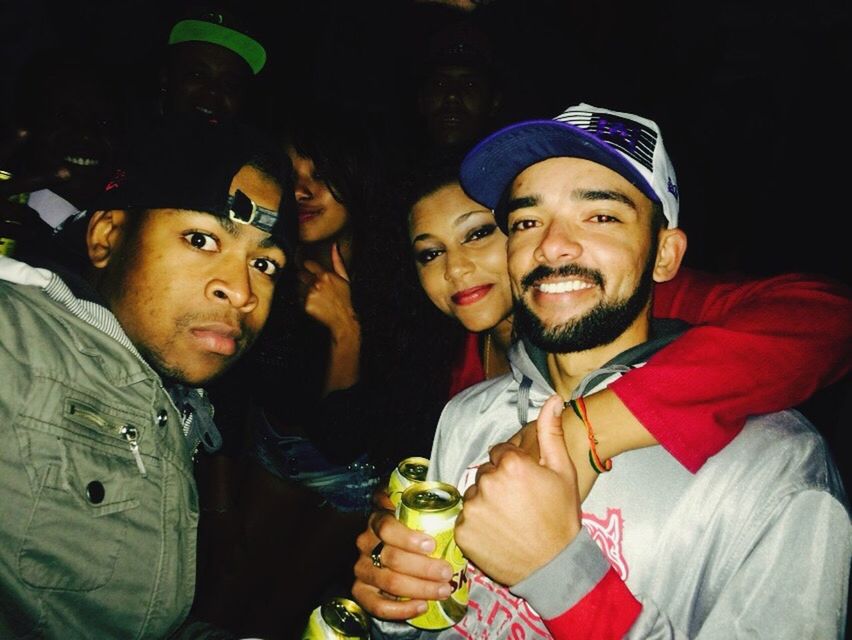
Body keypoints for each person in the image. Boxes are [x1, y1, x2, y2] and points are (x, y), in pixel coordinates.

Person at [353, 103, 851, 638]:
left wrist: (564, 579)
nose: (552, 244)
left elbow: (820, 318)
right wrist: (401, 597)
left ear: (664, 255)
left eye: (601, 215)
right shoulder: (467, 410)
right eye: (527, 220)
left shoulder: (776, 475)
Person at [0, 114, 296, 639]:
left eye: (265, 264)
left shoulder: (176, 400)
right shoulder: (19, 339)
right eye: (202, 240)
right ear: (108, 236)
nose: (243, 291)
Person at [157, 4, 267, 125]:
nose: (213, 90)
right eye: (198, 74)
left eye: (230, 84)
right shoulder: (135, 134)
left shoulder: (251, 143)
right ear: (165, 78)